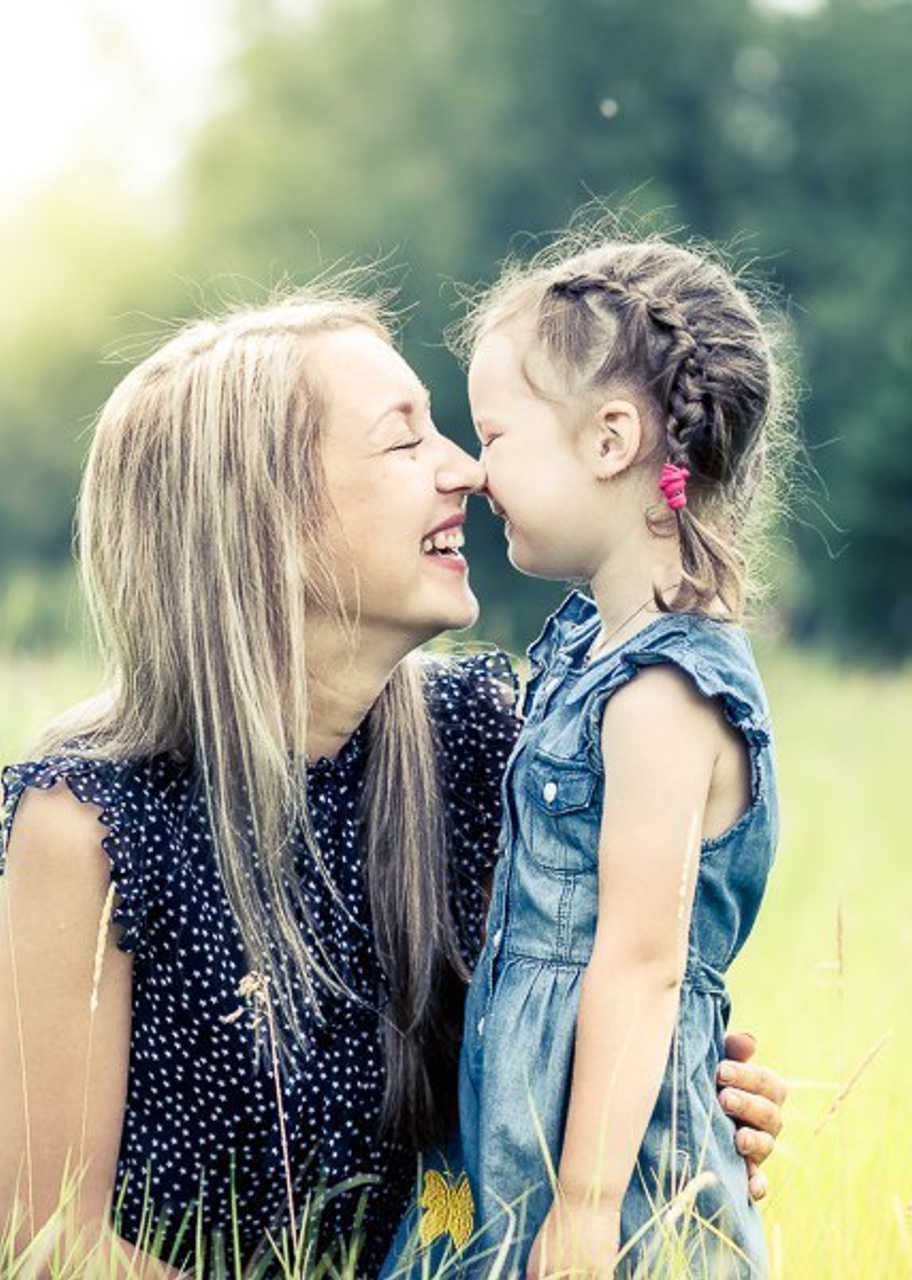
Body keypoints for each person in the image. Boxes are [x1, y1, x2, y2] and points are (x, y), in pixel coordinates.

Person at [0, 290, 785, 1279]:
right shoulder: (87, 822)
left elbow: (594, 1004)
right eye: (403, 441)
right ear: (270, 519)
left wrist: (674, 1119)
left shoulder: (482, 745)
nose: (465, 468)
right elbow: (49, 1243)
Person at [386, 238, 790, 1278]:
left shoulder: (662, 689)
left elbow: (642, 959)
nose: (473, 470)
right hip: (526, 1106)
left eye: (495, 433)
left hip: (615, 1162)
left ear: (609, 438)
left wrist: (585, 1205)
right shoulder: (584, 644)